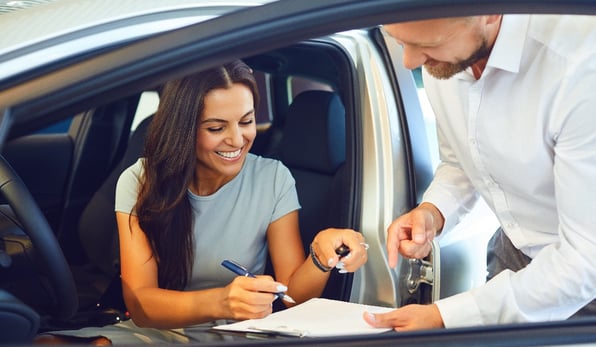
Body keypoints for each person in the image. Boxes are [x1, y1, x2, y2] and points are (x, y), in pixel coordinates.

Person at [35, 60, 368, 344]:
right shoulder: (140, 180)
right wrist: (222, 300)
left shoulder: (273, 178)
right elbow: (142, 304)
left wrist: (321, 255)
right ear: (184, 129)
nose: (237, 140)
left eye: (247, 121)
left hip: (237, 334)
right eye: (216, 127)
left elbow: (294, 298)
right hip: (159, 331)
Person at [364, 14, 596, 330]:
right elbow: (460, 161)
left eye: (427, 44)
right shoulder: (442, 62)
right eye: (400, 42)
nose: (410, 62)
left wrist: (444, 318)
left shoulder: (579, 69)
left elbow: (586, 260)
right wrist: (432, 212)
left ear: (490, 13)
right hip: (512, 254)